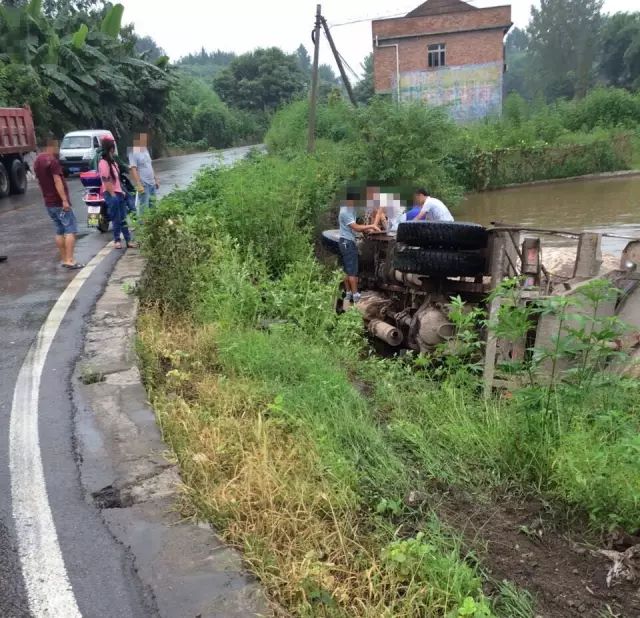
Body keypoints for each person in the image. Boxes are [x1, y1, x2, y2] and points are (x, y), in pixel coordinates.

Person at [33, 140, 84, 269]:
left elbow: (39, 181)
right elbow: (57, 180)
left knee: (59, 230)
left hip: (49, 202)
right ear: (52, 146)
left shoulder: (38, 160)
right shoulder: (52, 161)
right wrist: (64, 200)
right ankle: (70, 259)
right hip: (58, 202)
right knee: (70, 230)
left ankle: (64, 259)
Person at [339, 187, 380, 304]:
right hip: (347, 242)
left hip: (345, 241)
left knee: (346, 270)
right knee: (352, 271)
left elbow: (368, 210)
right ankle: (356, 296)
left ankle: (348, 294)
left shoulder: (348, 206)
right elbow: (355, 227)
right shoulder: (346, 212)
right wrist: (371, 226)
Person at [99, 137, 136, 250]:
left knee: (123, 218)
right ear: (111, 148)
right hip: (111, 194)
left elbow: (117, 179)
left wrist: (122, 192)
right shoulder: (103, 162)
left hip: (118, 193)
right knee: (116, 218)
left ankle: (128, 240)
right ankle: (117, 240)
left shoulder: (113, 162)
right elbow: (106, 180)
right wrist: (113, 194)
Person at [128, 132, 159, 217]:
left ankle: (153, 226)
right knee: (144, 207)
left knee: (153, 207)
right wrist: (138, 184)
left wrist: (156, 179)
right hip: (144, 184)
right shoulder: (133, 152)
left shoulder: (145, 149)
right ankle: (142, 227)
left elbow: (150, 165)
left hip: (152, 183)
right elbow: (133, 169)